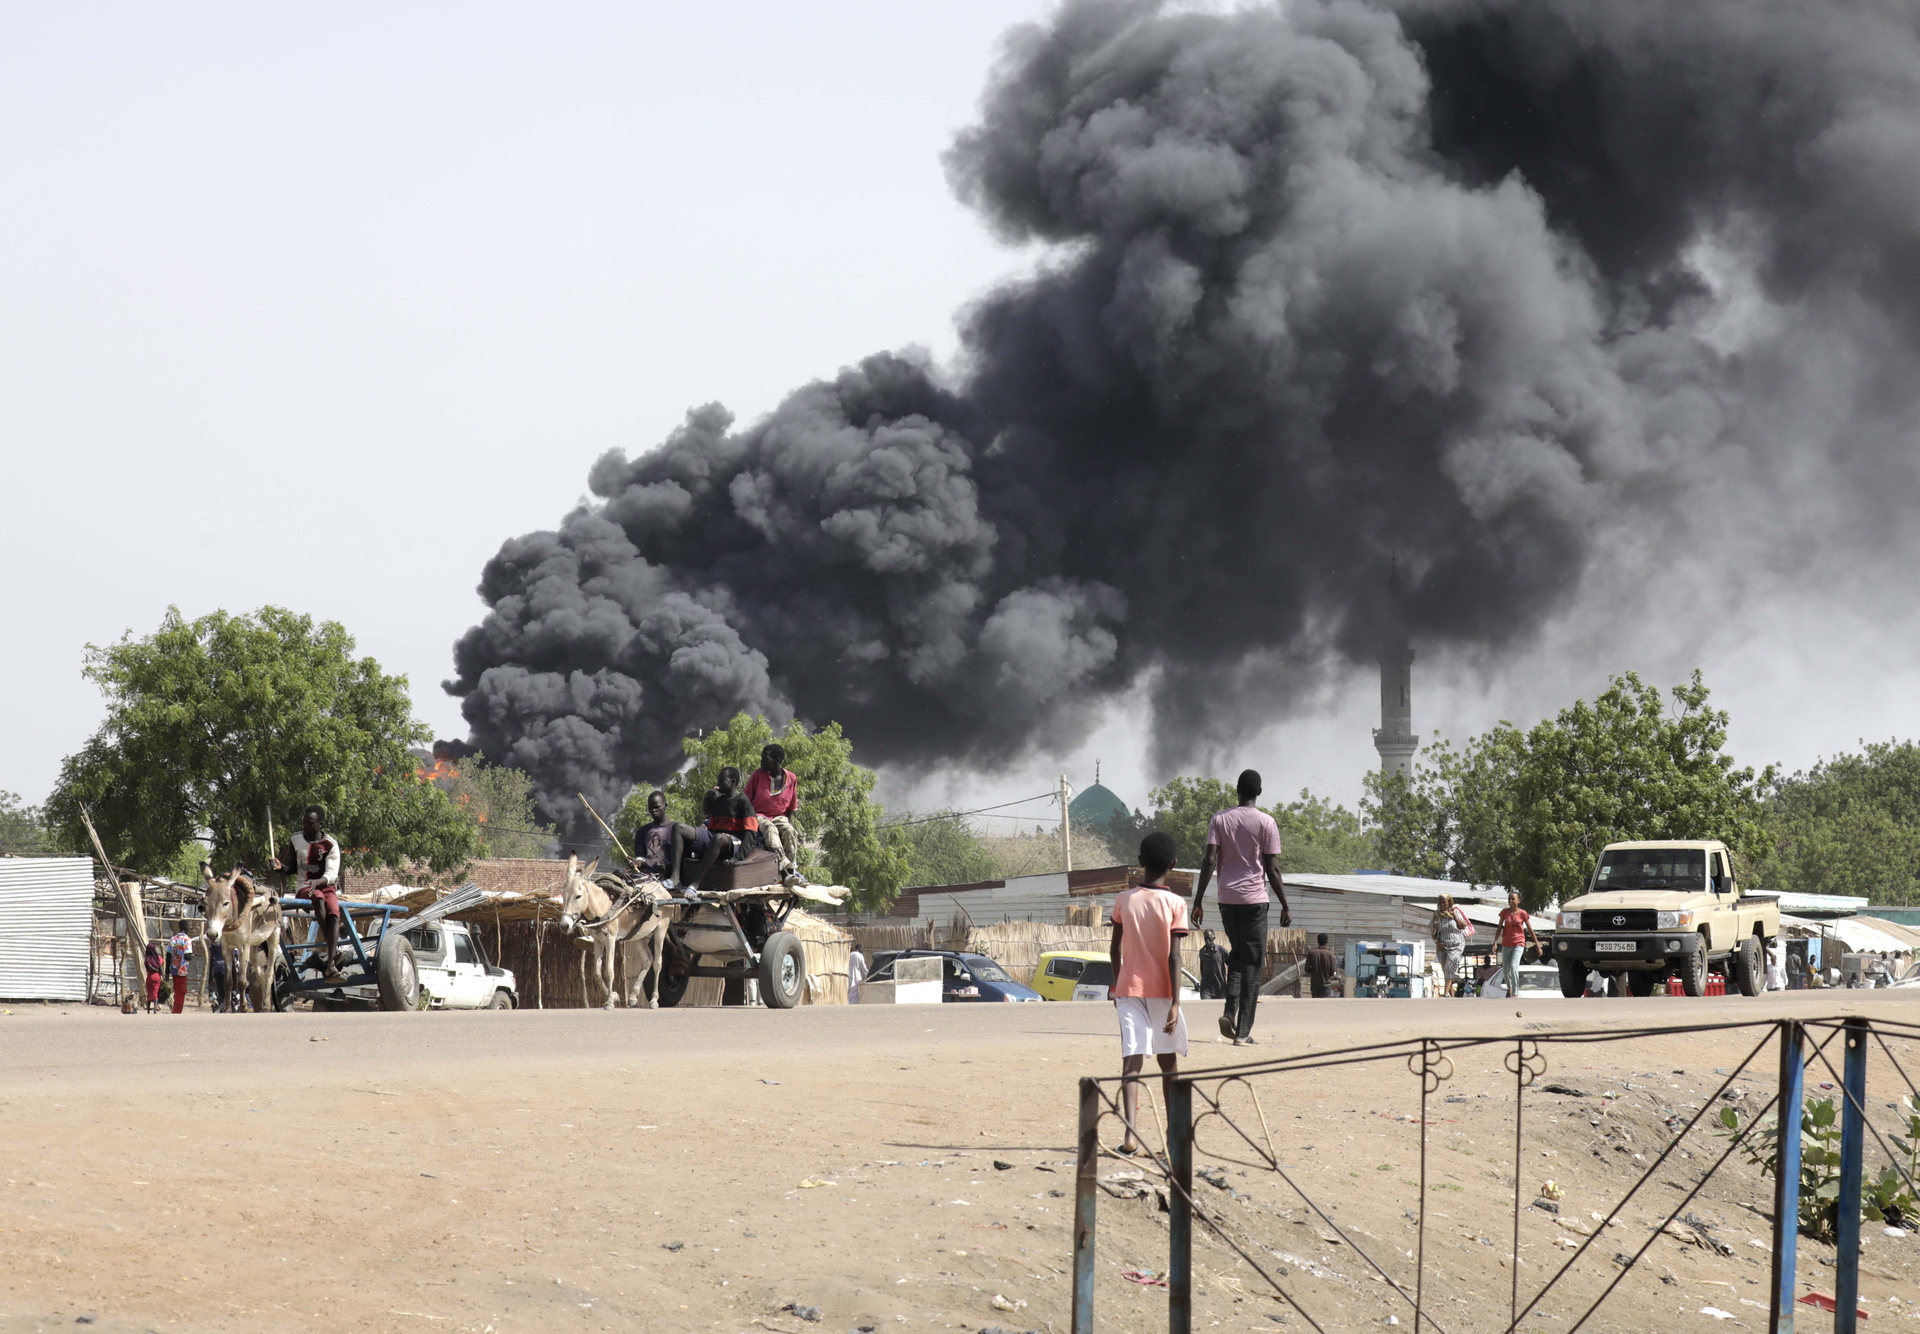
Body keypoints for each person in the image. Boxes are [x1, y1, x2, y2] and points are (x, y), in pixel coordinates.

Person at [1191, 769, 1292, 1045]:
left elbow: (1209, 861)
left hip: (1227, 900)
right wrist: (1285, 904)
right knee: (1253, 964)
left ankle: (1229, 1011)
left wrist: (1198, 900)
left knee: (1237, 957)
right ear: (1258, 792)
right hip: (1255, 902)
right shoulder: (1266, 822)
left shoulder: (1219, 819)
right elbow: (1272, 869)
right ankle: (1243, 1032)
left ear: (1237, 790)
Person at [1110, 831, 1189, 1155]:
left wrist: (1117, 986)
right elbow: (1174, 956)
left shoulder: (1124, 899)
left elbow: (1114, 949)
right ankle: (1172, 1135)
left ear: (1140, 863)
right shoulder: (1175, 903)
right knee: (1168, 1064)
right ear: (1173, 864)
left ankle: (1130, 1136)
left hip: (1128, 989)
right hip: (1162, 992)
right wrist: (1175, 1002)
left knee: (1132, 1061)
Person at [275, 805, 347, 984]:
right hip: (304, 886)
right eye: (303, 823)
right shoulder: (296, 839)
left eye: (310, 823)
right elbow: (292, 868)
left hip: (326, 885)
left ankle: (330, 963)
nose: (305, 826)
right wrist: (280, 868)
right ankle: (331, 948)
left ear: (320, 824)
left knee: (334, 913)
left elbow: (332, 874)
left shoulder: (330, 845)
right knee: (318, 899)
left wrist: (319, 882)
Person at [678, 767, 760, 899]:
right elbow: (710, 826)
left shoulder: (743, 802)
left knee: (718, 838)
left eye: (722, 781)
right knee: (679, 828)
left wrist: (739, 857)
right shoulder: (719, 802)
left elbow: (750, 835)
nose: (718, 784)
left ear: (733, 782)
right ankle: (675, 878)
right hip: (717, 838)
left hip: (734, 842)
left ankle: (695, 884)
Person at [744, 744, 803, 879]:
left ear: (776, 760)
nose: (761, 762)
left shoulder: (791, 778)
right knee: (770, 830)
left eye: (765, 759)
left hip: (779, 816)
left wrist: (788, 823)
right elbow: (746, 799)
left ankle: (792, 870)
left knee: (790, 832)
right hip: (758, 815)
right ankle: (784, 871)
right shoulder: (758, 775)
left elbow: (791, 806)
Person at [1496, 890, 1539, 1000]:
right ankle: (1510, 988)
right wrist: (1495, 943)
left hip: (1519, 943)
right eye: (1509, 899)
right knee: (1506, 970)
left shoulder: (1523, 913)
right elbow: (1500, 928)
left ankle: (1515, 992)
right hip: (1506, 944)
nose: (1510, 901)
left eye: (1513, 899)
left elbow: (1530, 929)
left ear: (1519, 901)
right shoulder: (1504, 913)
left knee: (1514, 967)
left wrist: (1537, 945)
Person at [1430, 894, 1469, 997]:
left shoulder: (1455, 912)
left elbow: (1462, 926)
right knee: (1447, 972)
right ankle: (1452, 997)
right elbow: (1433, 931)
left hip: (1456, 945)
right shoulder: (1437, 915)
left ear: (1449, 902)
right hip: (1443, 947)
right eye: (1440, 902)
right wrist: (1437, 942)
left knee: (1449, 966)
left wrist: (1454, 915)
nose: (1442, 904)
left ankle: (1445, 993)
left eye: (1445, 902)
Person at [166, 924, 195, 1014]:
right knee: (181, 992)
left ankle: (176, 1009)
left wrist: (167, 971)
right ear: (186, 928)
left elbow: (168, 956)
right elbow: (187, 956)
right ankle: (177, 1011)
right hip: (182, 969)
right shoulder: (187, 940)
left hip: (174, 969)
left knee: (176, 989)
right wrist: (192, 956)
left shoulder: (172, 939)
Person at [1303, 933, 1338, 999]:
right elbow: (1332, 972)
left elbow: (1307, 969)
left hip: (1314, 984)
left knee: (1315, 1004)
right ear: (1327, 941)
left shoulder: (1311, 953)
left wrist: (1314, 971)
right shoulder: (1330, 954)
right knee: (1324, 1005)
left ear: (1318, 941)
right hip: (1326, 985)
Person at [1196, 930, 1228, 1000]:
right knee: (1206, 1006)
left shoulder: (1221, 950)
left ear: (1214, 938)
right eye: (1205, 938)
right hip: (1206, 988)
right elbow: (1202, 968)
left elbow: (1232, 964)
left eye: (1209, 938)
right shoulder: (1202, 952)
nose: (1207, 940)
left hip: (1220, 988)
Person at [142, 940, 165, 1014]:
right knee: (155, 993)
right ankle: (155, 1010)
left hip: (150, 977)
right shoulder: (158, 958)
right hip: (157, 977)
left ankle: (148, 1011)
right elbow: (161, 968)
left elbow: (149, 967)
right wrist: (163, 976)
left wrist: (154, 969)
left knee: (149, 993)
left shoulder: (147, 959)